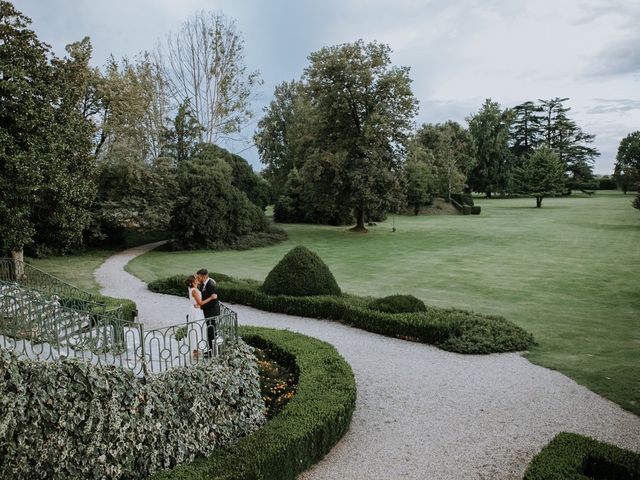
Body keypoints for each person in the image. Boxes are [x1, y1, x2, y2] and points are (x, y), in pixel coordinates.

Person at [196, 268, 220, 356]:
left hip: (212, 312)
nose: (198, 278)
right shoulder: (203, 284)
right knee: (209, 331)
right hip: (207, 311)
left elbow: (214, 300)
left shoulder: (210, 285)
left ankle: (212, 351)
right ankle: (210, 349)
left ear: (204, 276)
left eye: (199, 277)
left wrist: (201, 306)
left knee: (211, 331)